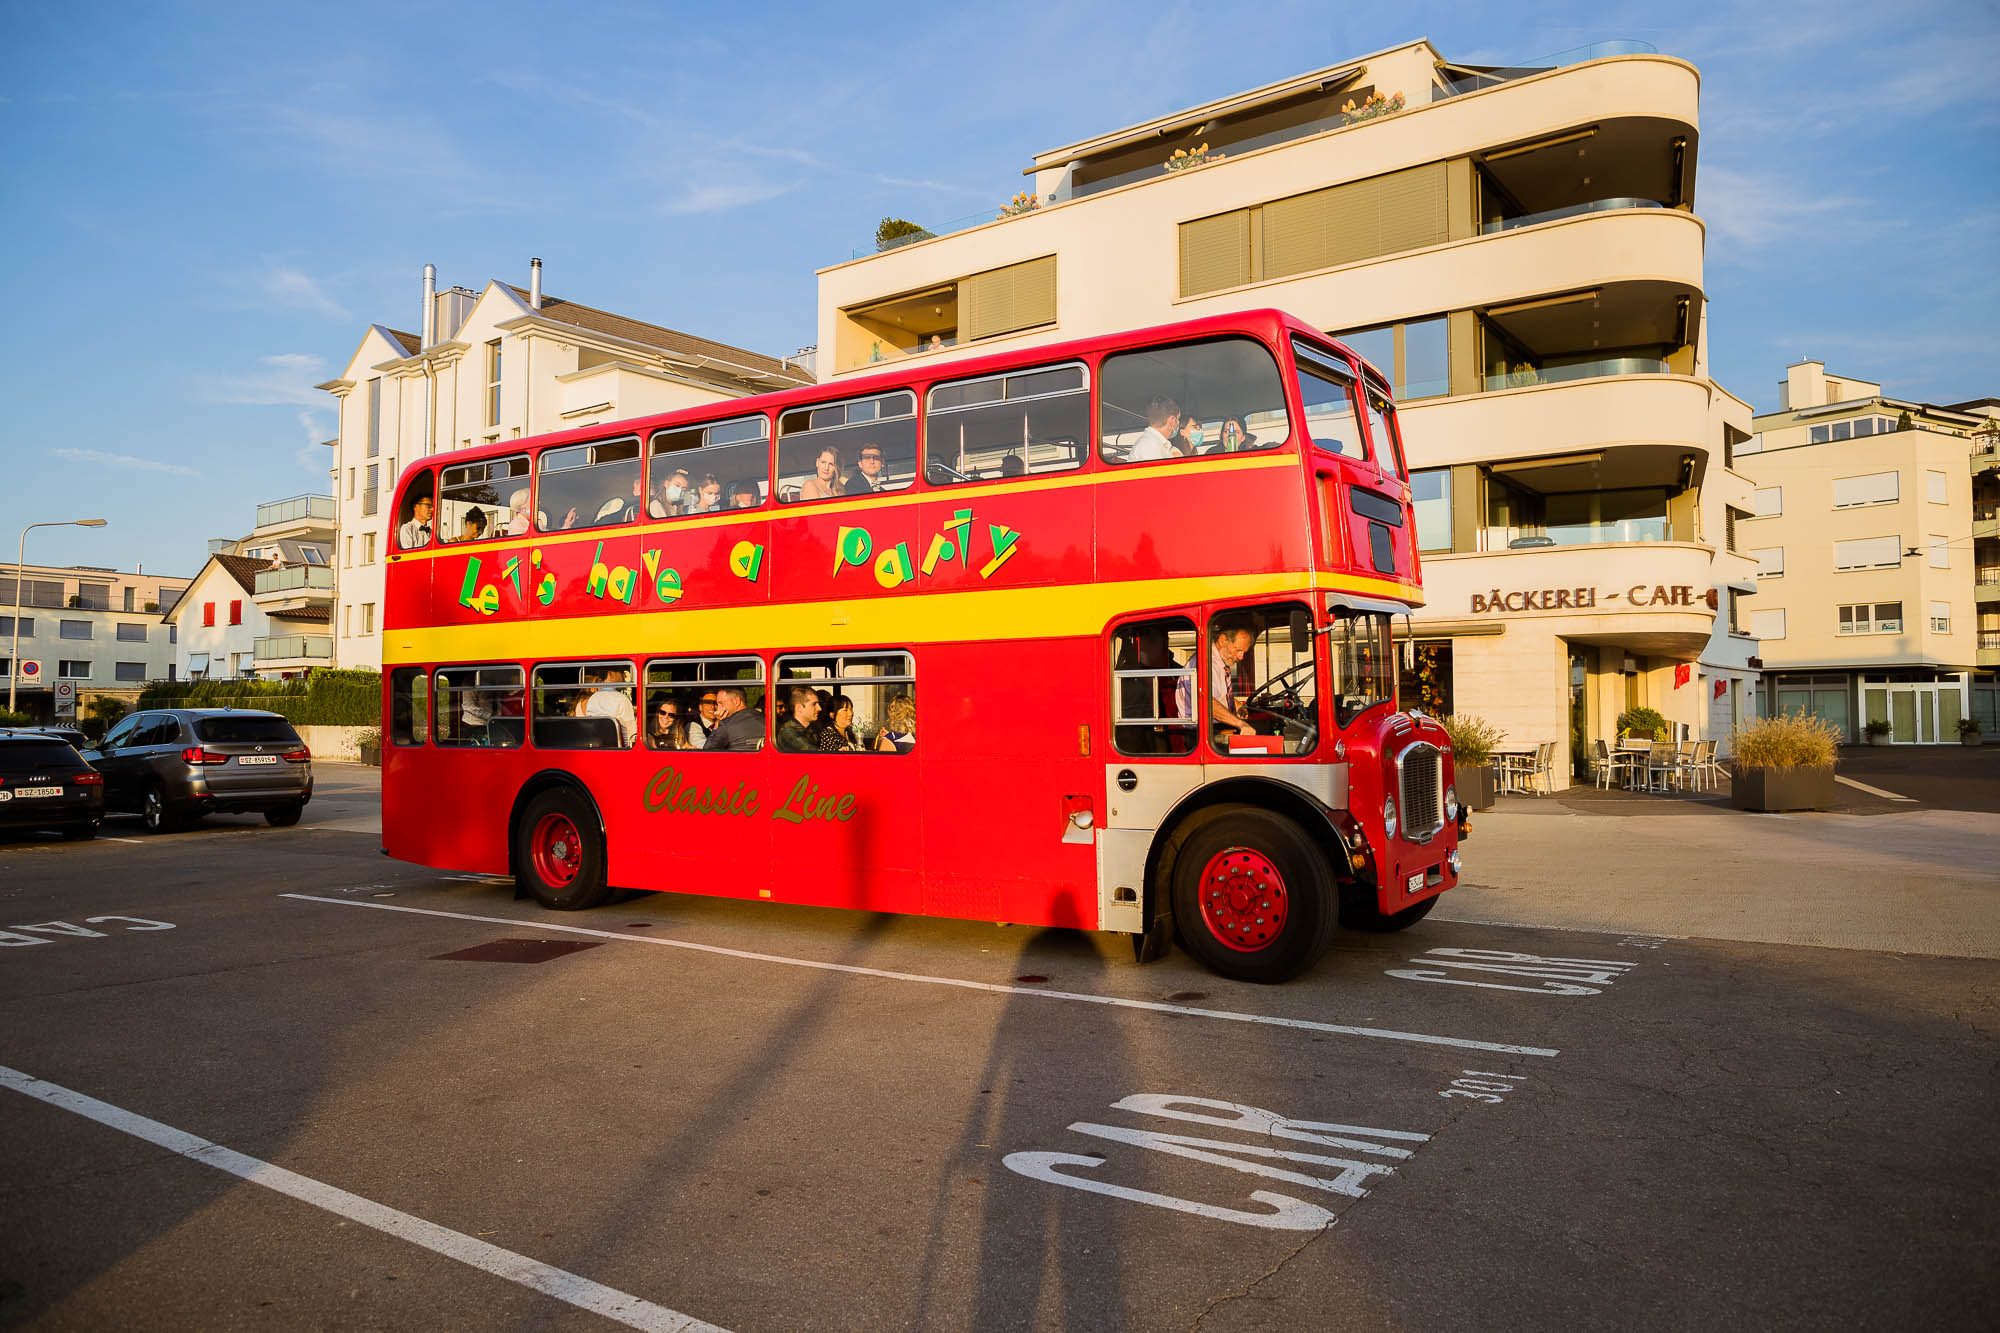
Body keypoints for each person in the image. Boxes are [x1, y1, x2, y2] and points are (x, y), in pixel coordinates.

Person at [1209, 621, 1259, 743]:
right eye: (1238, 650)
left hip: (1219, 728)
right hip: (1205, 734)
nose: (1241, 657)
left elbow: (1220, 696)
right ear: (1222, 640)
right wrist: (1240, 724)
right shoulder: (1206, 663)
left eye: (1244, 652)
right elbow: (1207, 704)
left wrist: (1238, 706)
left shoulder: (1219, 664)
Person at [582, 665, 636, 748]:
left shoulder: (593, 699)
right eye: (621, 672)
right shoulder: (621, 699)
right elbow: (631, 733)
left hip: (598, 748)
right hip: (618, 750)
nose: (624, 675)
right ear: (611, 674)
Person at [702, 686, 765, 751]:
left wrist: (717, 723)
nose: (718, 708)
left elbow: (708, 750)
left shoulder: (726, 724)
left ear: (736, 701)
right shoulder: (765, 718)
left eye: (721, 703)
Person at [1124, 396, 1184, 462]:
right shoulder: (1150, 445)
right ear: (1172, 420)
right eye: (1178, 419)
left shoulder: (1155, 442)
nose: (1178, 423)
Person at [775, 685, 820, 753]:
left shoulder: (811, 728)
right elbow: (814, 753)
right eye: (814, 704)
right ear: (799, 708)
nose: (819, 708)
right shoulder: (788, 731)